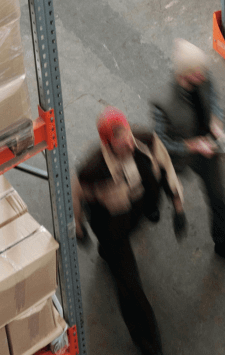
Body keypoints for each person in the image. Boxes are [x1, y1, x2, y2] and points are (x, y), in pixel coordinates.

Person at [73, 108, 187, 355]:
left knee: (150, 181)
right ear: (107, 143)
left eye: (127, 136)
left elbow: (166, 167)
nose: (128, 143)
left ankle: (108, 252)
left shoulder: (144, 140)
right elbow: (77, 196)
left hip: (138, 210)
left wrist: (178, 206)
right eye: (120, 141)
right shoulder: (93, 170)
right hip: (112, 226)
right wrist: (78, 226)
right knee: (130, 289)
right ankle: (148, 342)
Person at [152, 39, 225, 272]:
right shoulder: (162, 101)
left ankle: (224, 245)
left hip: (207, 151)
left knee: (219, 199)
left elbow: (212, 100)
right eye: (196, 73)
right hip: (178, 156)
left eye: (202, 71)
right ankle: (151, 203)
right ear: (183, 75)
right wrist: (192, 146)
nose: (203, 76)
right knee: (161, 182)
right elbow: (162, 142)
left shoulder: (203, 77)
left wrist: (215, 121)